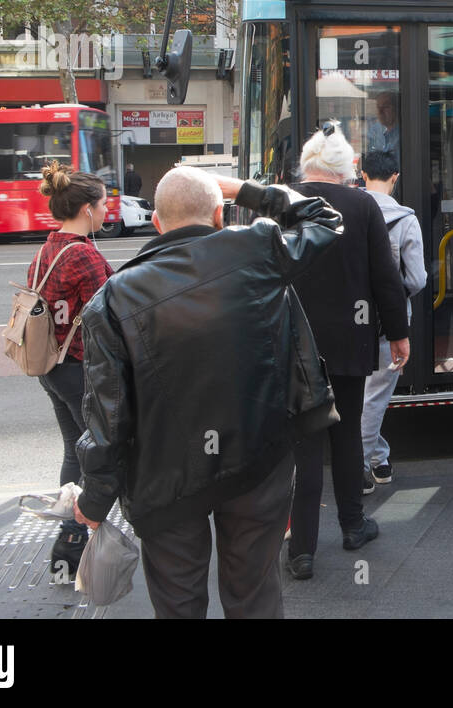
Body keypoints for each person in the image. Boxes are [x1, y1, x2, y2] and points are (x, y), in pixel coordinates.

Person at [73, 166, 342, 617]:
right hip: (257, 456)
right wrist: (248, 191)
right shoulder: (257, 248)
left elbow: (108, 415)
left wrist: (95, 497)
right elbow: (323, 218)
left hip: (164, 479)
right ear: (220, 214)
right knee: (254, 593)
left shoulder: (114, 298)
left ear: (156, 222)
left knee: (178, 605)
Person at [288, 122, 410, 580]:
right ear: (345, 170)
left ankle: (301, 549)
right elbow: (386, 277)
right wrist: (398, 333)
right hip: (350, 340)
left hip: (295, 347)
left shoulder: (285, 203)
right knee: (346, 433)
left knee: (303, 444)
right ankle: (353, 525)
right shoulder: (362, 205)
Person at [30, 162, 114, 579]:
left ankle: (67, 547)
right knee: (98, 455)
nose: (106, 211)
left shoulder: (50, 246)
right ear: (85, 209)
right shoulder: (84, 253)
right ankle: (79, 542)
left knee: (73, 452)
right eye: (102, 204)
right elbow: (109, 313)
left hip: (52, 367)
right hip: (80, 369)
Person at [359, 150, 427, 493]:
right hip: (391, 322)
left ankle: (379, 459)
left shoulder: (348, 211)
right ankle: (357, 467)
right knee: (375, 396)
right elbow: (416, 279)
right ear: (395, 177)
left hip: (350, 318)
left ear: (362, 173)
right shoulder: (405, 220)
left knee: (360, 396)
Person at [367, 92, 401, 169]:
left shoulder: (403, 136)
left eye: (386, 107)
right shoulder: (378, 131)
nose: (380, 112)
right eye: (378, 107)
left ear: (397, 108)